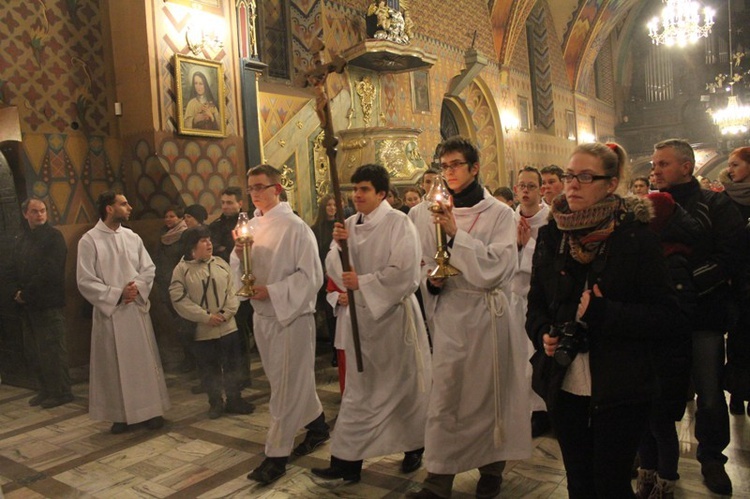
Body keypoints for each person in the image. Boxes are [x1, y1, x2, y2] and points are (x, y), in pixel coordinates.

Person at [527, 142, 680, 498]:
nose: (572, 186)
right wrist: (542, 334)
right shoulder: (553, 234)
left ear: (610, 184)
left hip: (621, 383)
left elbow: (668, 317)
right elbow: (535, 303)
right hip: (564, 383)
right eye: (569, 176)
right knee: (579, 481)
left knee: (610, 484)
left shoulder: (636, 237)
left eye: (584, 177)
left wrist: (605, 313)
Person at [409, 137, 531, 499]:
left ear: (475, 168)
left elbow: (498, 268)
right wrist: (431, 280)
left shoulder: (499, 214)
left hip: (488, 318)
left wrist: (455, 234)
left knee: (490, 397)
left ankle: (492, 470)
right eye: (443, 166)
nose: (448, 173)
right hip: (450, 317)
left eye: (455, 165)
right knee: (445, 398)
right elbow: (422, 263)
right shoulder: (423, 212)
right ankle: (437, 480)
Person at [312, 164, 432, 482]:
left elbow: (405, 273)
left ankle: (414, 446)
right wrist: (339, 249)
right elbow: (331, 263)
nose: (357, 195)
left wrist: (361, 282)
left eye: (364, 189)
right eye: (355, 189)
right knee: (358, 391)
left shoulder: (399, 223)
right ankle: (346, 462)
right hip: (359, 322)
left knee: (403, 389)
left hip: (393, 320)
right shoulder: (348, 223)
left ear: (382, 193)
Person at [651, 138, 745, 495]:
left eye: (663, 164)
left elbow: (730, 256)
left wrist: (683, 284)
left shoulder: (715, 204)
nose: (655, 170)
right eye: (655, 164)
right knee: (656, 389)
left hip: (704, 315)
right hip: (661, 318)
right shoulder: (648, 206)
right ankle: (654, 459)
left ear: (686, 167)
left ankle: (712, 458)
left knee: (708, 392)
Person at [234, 164, 328, 485]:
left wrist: (272, 291)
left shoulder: (295, 227)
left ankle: (276, 457)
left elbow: (311, 277)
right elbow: (242, 269)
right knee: (285, 381)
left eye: (260, 187)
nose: (255, 194)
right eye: (251, 188)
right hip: (264, 317)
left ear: (277, 189)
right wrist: (238, 254)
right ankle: (317, 426)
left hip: (292, 318)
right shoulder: (253, 226)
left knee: (286, 389)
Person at [77, 191, 170, 434]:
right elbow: (85, 280)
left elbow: (148, 268)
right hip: (111, 314)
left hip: (135, 310)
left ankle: (151, 411)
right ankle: (121, 415)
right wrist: (117, 294)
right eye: (123, 203)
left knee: (142, 363)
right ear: (109, 208)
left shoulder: (132, 237)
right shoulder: (89, 240)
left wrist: (135, 289)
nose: (129, 207)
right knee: (114, 366)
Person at [636, 191, 701, 499]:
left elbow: (680, 313)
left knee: (661, 426)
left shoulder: (673, 257)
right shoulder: (653, 251)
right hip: (646, 357)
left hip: (666, 359)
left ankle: (666, 482)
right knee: (643, 424)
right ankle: (646, 476)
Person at [170, 226, 254, 419]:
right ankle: (215, 402)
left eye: (209, 239)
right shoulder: (182, 270)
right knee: (209, 369)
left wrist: (226, 313)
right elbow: (179, 299)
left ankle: (235, 399)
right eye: (203, 241)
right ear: (192, 246)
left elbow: (234, 289)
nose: (209, 244)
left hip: (227, 327)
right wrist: (205, 317)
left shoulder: (221, 264)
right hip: (203, 330)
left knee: (233, 365)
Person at [7, 198, 73, 409]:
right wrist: (16, 291)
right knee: (34, 351)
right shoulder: (21, 239)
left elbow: (50, 270)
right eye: (34, 212)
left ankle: (61, 391)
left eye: (43, 211)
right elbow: (13, 268)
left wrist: (26, 293)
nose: (40, 215)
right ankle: (45, 389)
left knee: (52, 349)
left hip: (48, 303)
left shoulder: (53, 237)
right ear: (25, 214)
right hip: (27, 305)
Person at [509, 167, 551, 439]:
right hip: (513, 298)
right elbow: (498, 258)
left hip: (540, 300)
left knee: (535, 355)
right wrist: (515, 247)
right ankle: (522, 408)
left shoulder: (551, 220)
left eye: (531, 186)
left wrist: (527, 247)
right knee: (517, 358)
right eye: (521, 186)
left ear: (540, 190)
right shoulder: (507, 219)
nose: (525, 191)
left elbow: (551, 261)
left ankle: (542, 411)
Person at [719, 147, 750, 417]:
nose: (730, 169)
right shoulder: (726, 201)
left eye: (736, 164)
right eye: (729, 165)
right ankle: (738, 392)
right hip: (737, 281)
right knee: (739, 340)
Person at [153, 206, 192, 372]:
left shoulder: (184, 235)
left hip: (181, 283)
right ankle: (184, 356)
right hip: (165, 282)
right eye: (166, 216)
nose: (168, 219)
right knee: (175, 322)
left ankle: (192, 359)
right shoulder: (162, 236)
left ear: (180, 218)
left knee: (185, 320)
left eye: (171, 216)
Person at [311, 194, 338, 366]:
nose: (332, 208)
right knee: (330, 315)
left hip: (338, 275)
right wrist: (324, 270)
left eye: (335, 205)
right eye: (328, 205)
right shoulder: (316, 229)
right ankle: (333, 350)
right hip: (323, 276)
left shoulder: (340, 226)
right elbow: (316, 253)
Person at [209, 186, 243, 263]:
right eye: (223, 202)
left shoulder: (248, 223)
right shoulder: (215, 225)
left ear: (240, 204)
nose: (224, 207)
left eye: (229, 203)